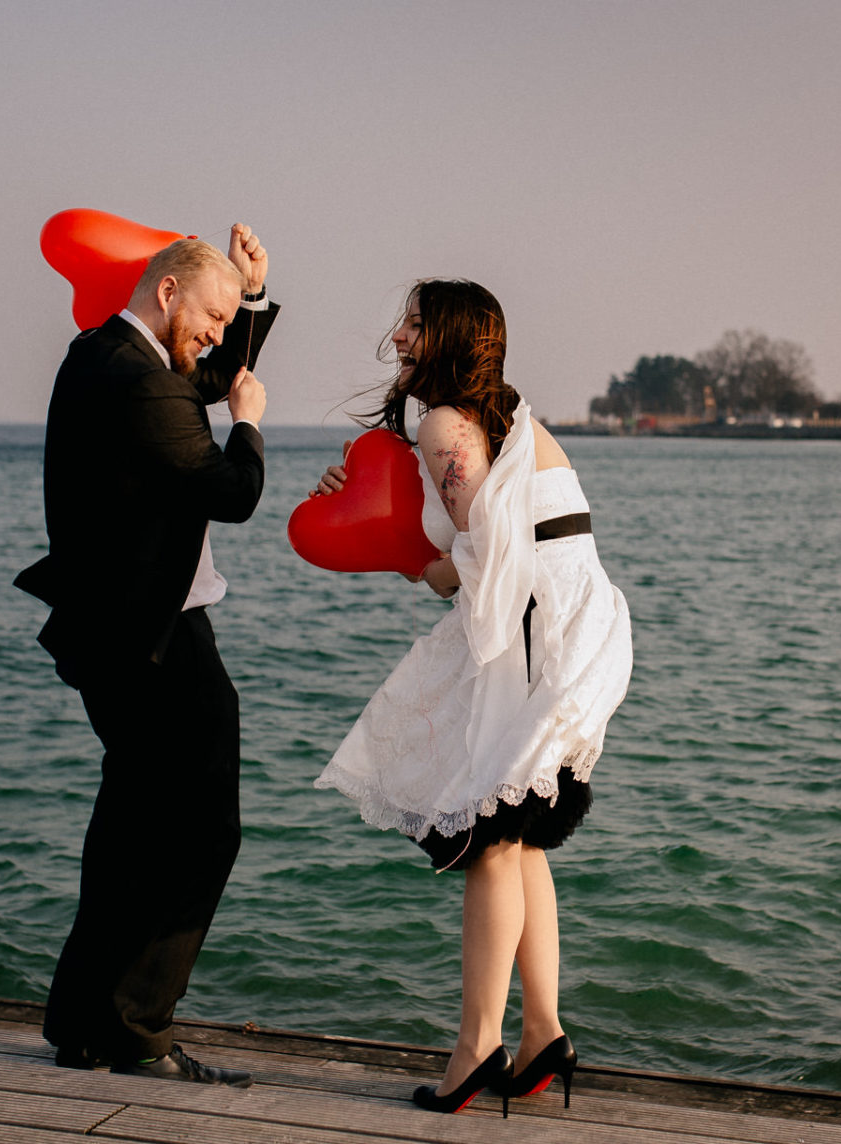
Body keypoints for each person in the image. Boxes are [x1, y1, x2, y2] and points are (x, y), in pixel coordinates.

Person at [312, 279, 632, 1116]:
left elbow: (474, 571)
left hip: (538, 631)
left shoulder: (445, 426)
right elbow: (501, 546)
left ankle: (476, 1048)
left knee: (491, 841)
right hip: (573, 624)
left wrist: (410, 562)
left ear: (447, 335)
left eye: (414, 322)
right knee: (520, 839)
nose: (398, 334)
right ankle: (542, 1036)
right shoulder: (505, 414)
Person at [15, 225, 279, 1086]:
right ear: (165, 293)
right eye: (208, 314)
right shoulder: (140, 384)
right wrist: (248, 425)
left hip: (112, 634)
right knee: (205, 832)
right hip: (155, 642)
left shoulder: (97, 354)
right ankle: (138, 1025)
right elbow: (232, 493)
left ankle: (82, 1022)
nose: (212, 332)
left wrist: (245, 295)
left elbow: (197, 371)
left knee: (128, 831)